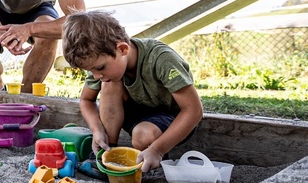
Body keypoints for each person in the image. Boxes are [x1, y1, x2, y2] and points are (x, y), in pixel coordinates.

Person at [62, 10, 204, 173]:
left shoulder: (162, 59)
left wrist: (157, 150)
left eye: (99, 68)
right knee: (109, 83)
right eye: (91, 71)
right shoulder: (102, 65)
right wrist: (97, 131)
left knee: (142, 135)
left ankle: (156, 155)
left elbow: (194, 111)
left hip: (172, 119)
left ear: (123, 49)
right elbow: (86, 100)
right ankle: (106, 154)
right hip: (136, 115)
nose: (96, 76)